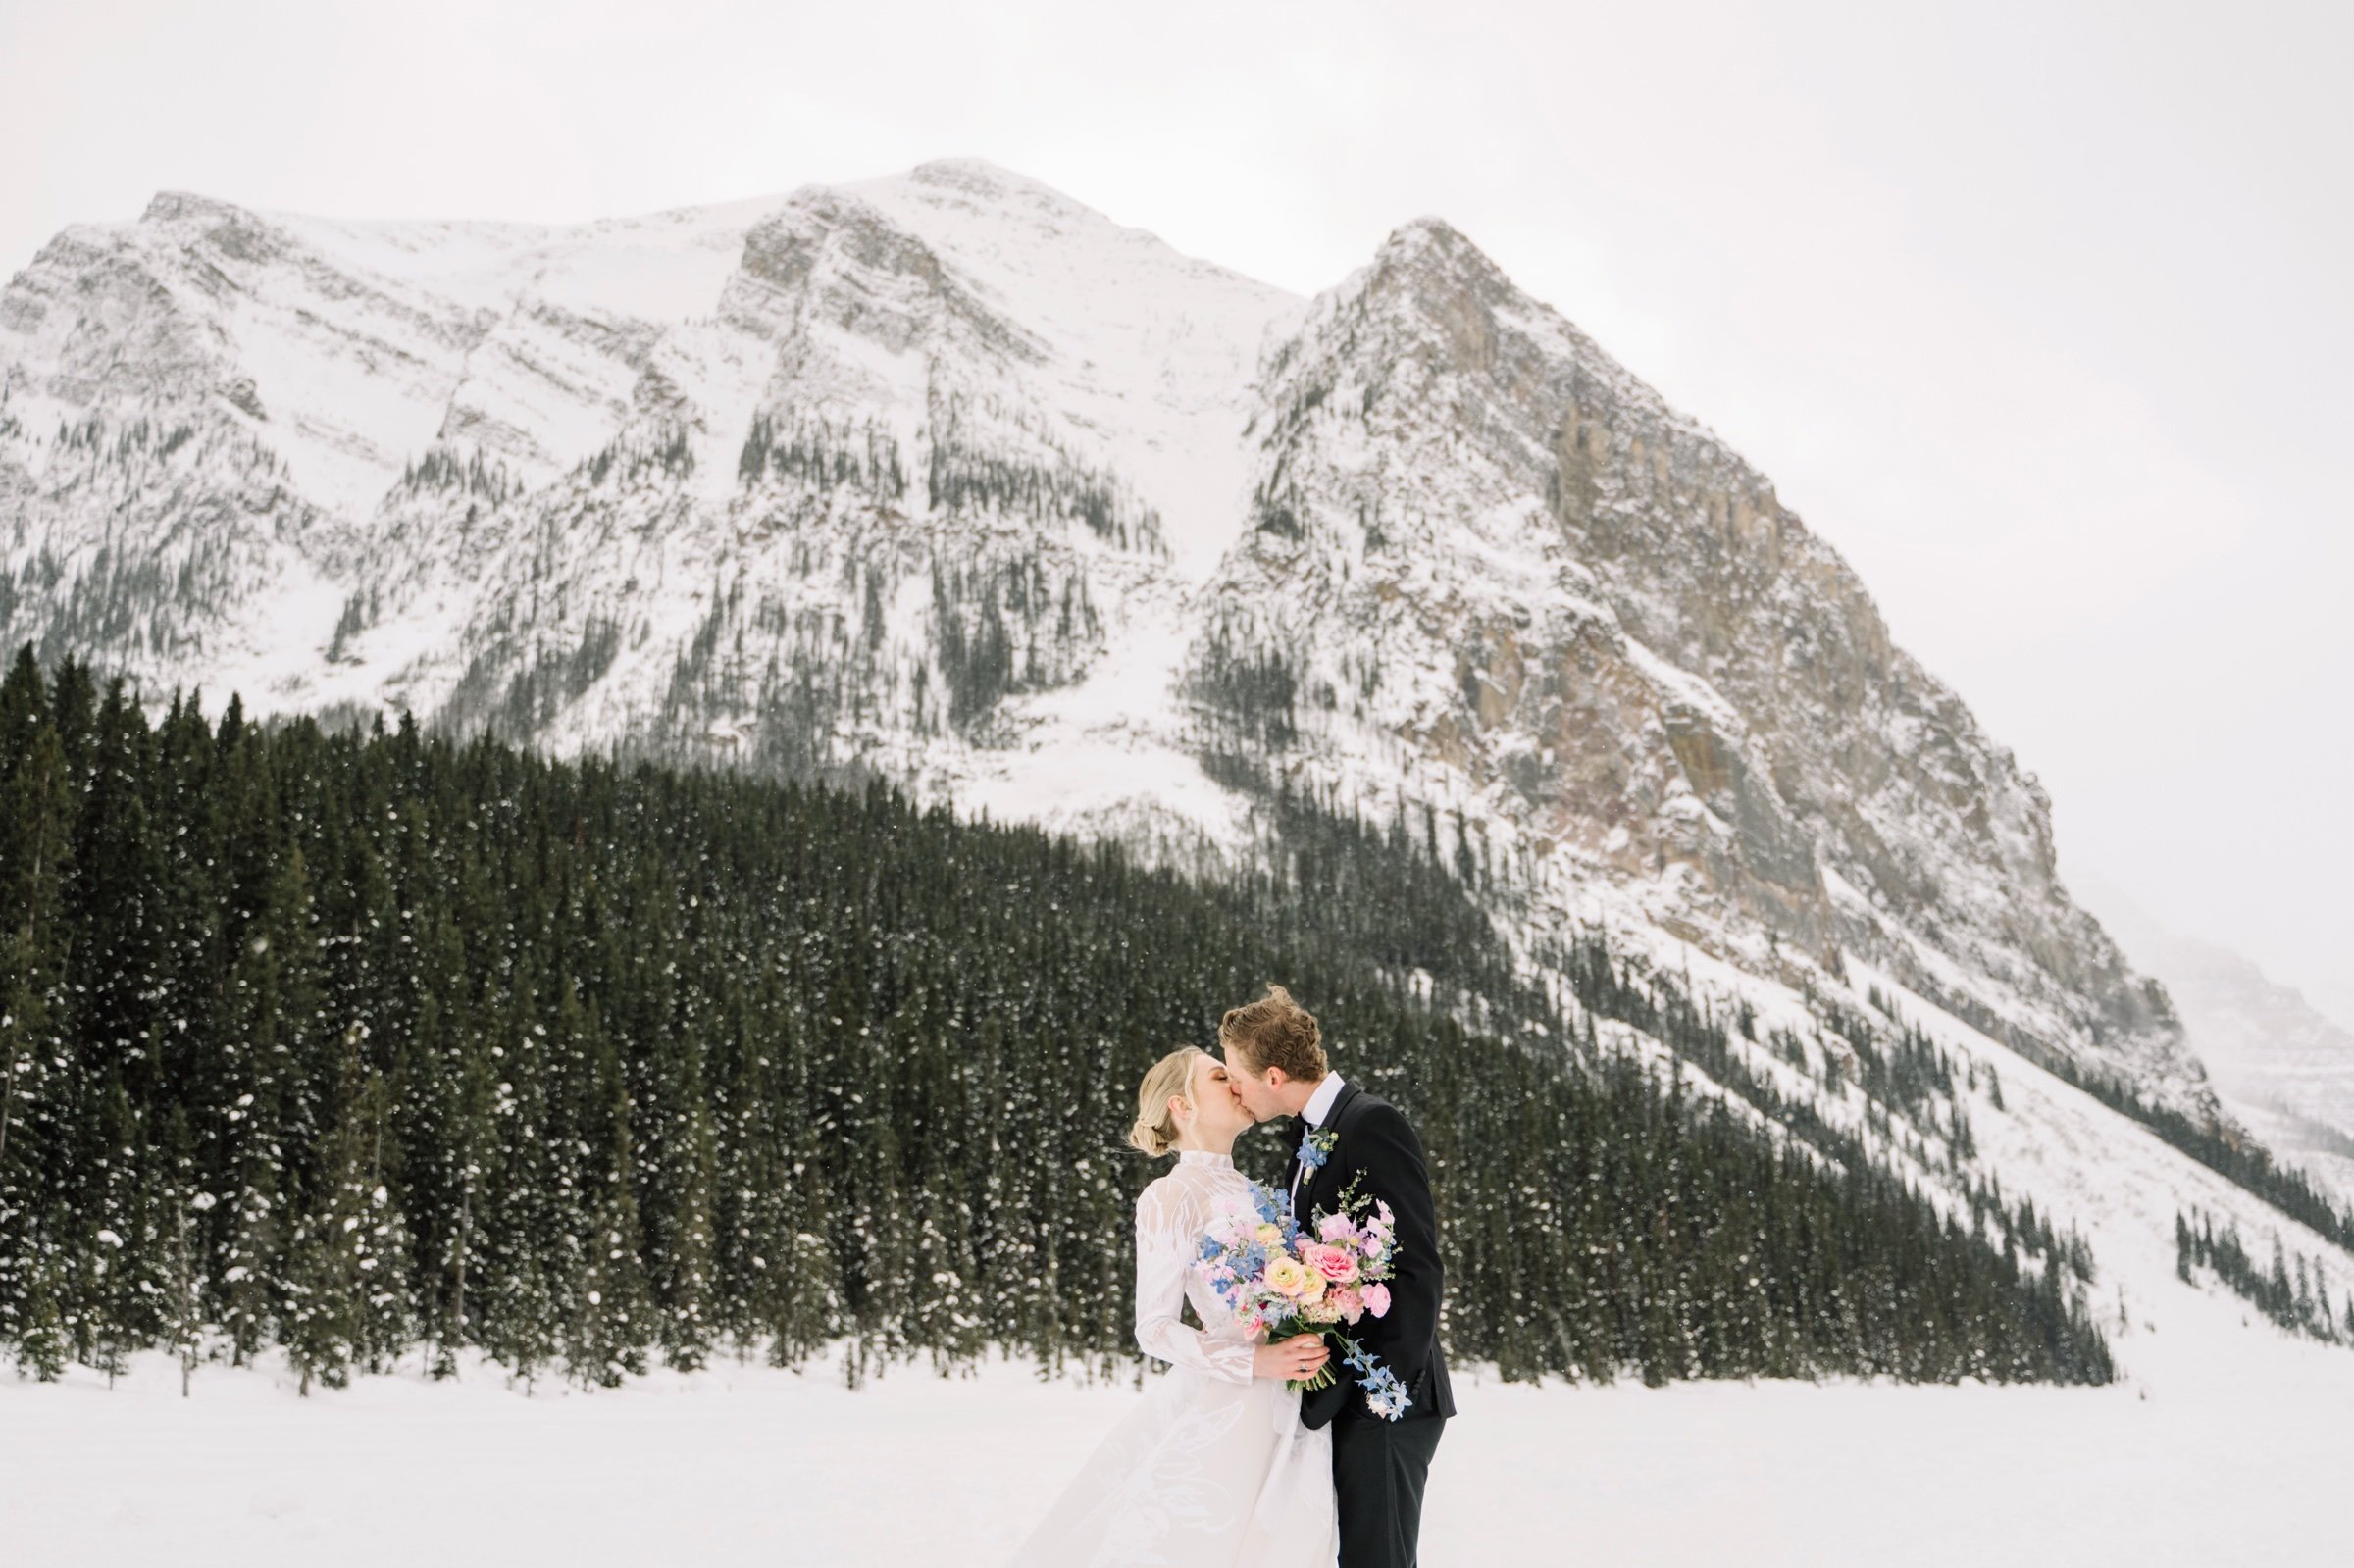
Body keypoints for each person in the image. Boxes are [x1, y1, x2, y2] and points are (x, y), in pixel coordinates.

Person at [1004, 1044, 1341, 1567]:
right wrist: (1255, 1361)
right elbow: (1154, 1328)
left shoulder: (1258, 1190)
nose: (1237, 1083)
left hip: (1293, 1398)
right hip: (1230, 1407)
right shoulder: (1169, 1195)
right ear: (1181, 1106)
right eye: (1219, 1076)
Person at [1220, 985, 1455, 1568]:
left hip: (1386, 1400)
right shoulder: (1307, 1137)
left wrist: (1382, 1394)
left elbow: (1417, 1267)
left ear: (1273, 1075)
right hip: (1342, 1397)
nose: (1235, 1089)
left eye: (1236, 1074)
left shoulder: (1372, 1123)